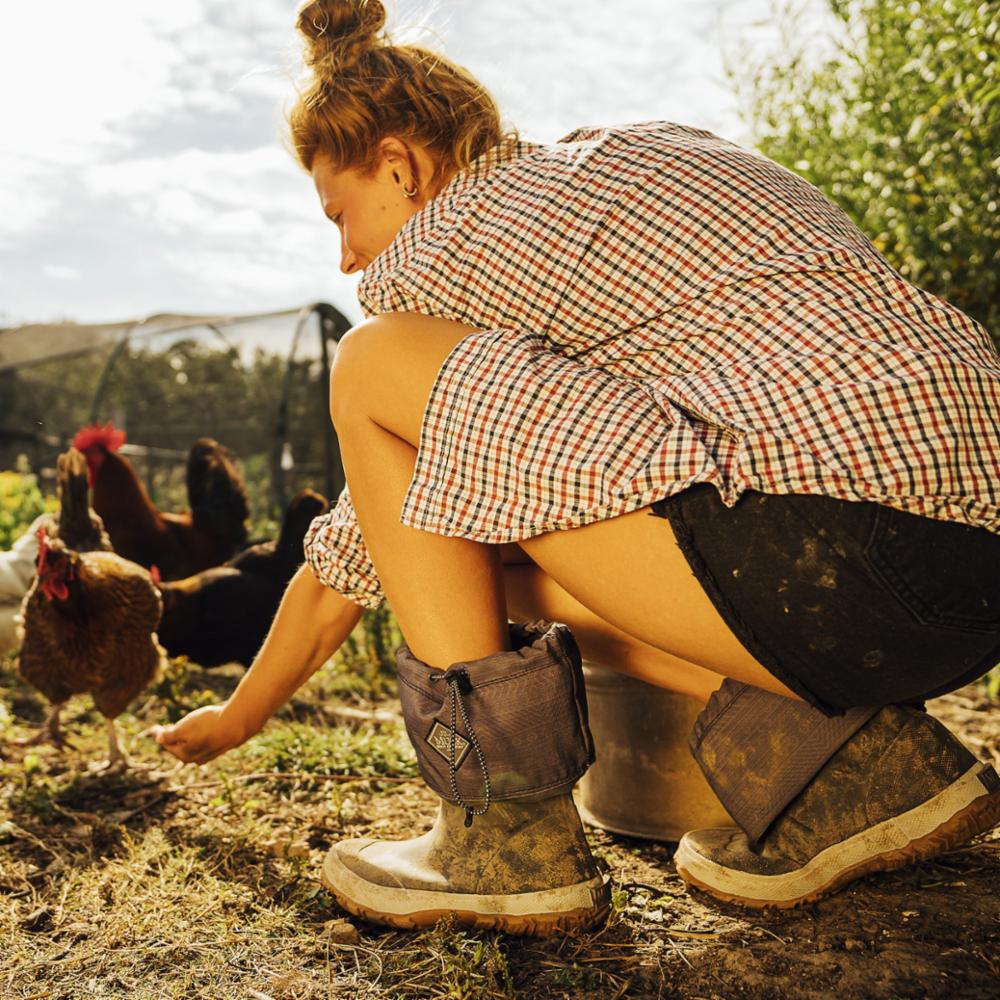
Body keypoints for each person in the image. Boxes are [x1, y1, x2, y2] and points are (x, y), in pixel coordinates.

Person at [155, 0, 1000, 936]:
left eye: (342, 212)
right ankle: (851, 759)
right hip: (962, 576)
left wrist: (237, 719)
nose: (348, 254)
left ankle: (501, 836)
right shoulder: (632, 160)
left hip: (838, 557)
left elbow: (363, 554)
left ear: (398, 164)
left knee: (371, 366)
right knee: (491, 564)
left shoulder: (447, 243)